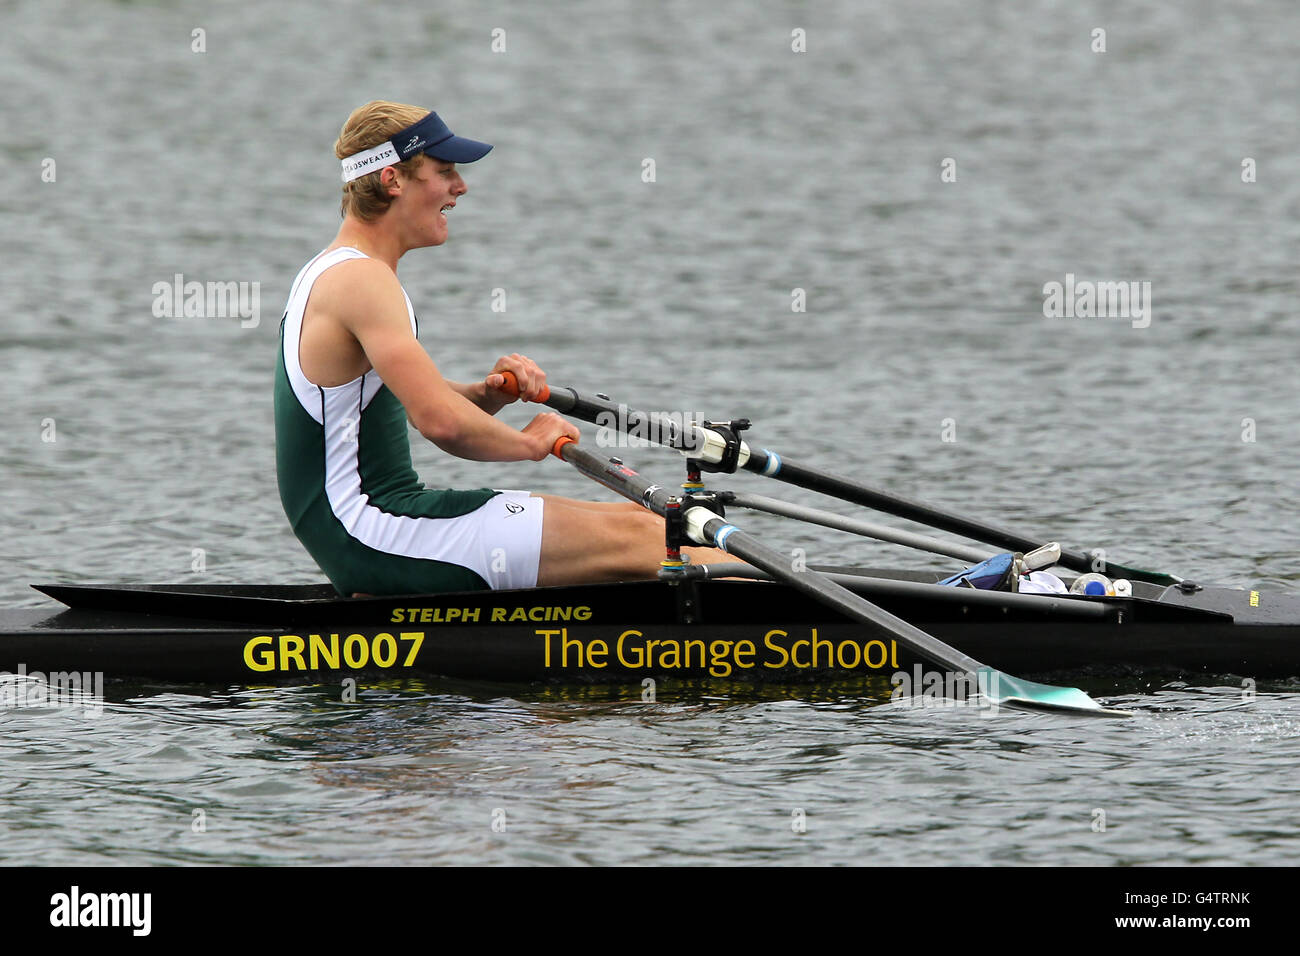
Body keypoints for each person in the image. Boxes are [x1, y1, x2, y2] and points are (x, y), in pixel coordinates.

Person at [275, 100, 722, 596]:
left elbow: (380, 397)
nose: (460, 187)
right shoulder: (364, 280)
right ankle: (798, 628)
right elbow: (441, 425)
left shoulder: (329, 268)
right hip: (373, 530)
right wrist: (528, 444)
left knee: (637, 524)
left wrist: (486, 395)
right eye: (444, 172)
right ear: (392, 180)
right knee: (651, 536)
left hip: (361, 530)